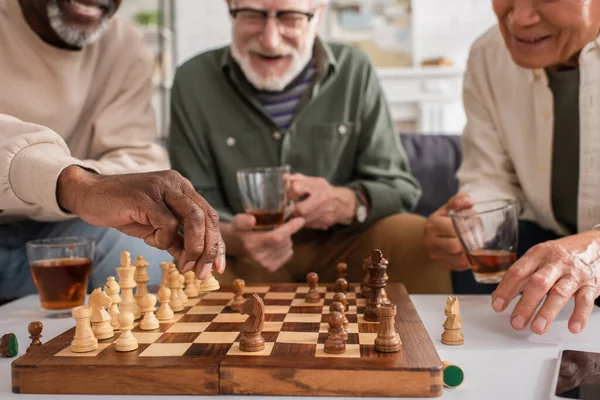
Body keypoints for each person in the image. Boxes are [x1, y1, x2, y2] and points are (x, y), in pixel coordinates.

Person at [167, 0, 452, 294]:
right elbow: (191, 205)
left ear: (318, 15)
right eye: (252, 15)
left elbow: (400, 187)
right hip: (241, 256)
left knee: (416, 237)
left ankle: (425, 340)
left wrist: (345, 203)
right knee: (193, 273)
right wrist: (234, 238)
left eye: (290, 17)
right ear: (231, 8)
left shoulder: (355, 69)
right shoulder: (192, 80)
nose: (269, 39)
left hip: (345, 246)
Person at [0, 0, 223, 302]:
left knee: (141, 250)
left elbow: (137, 160)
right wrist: (75, 186)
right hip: (60, 225)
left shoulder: (124, 44)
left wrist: (80, 190)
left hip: (67, 234)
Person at [423, 0, 600, 334]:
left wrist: (592, 248)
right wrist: (471, 226)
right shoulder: (487, 55)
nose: (519, 18)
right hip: (545, 239)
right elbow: (489, 174)